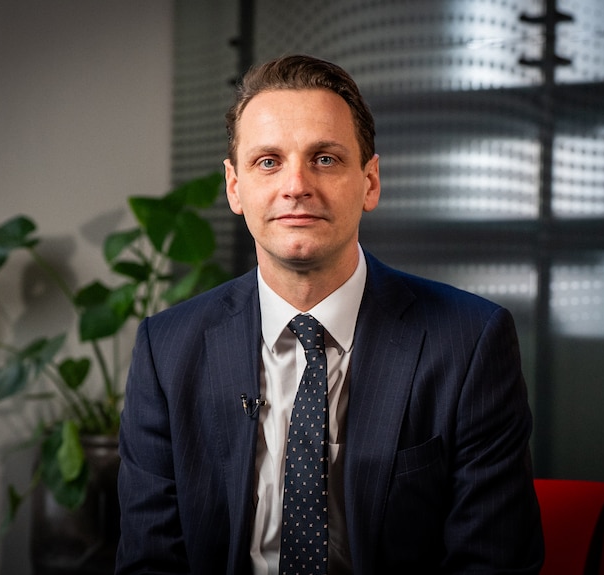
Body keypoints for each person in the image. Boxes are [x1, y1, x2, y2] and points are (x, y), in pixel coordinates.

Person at [116, 54, 543, 574]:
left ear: (370, 182)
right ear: (234, 187)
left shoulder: (470, 342)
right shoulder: (167, 349)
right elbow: (149, 562)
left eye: (325, 158)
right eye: (268, 161)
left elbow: (492, 563)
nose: (296, 185)